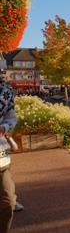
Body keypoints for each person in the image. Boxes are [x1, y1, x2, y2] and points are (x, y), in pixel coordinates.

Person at [0, 72, 18, 233]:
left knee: (8, 202)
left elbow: (11, 117)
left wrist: (5, 127)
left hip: (1, 159)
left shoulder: (4, 90)